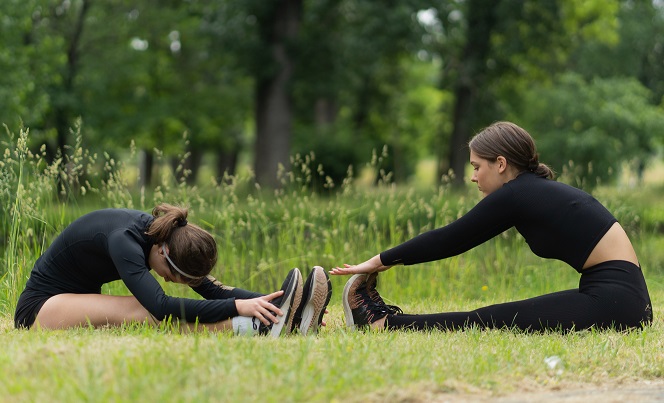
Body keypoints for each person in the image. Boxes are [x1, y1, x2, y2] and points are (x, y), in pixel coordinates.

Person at [331, 121, 652, 333]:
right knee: (499, 316)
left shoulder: (519, 192)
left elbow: (451, 238)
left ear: (500, 164)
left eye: (476, 167)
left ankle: (383, 324)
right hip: (619, 299)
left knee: (492, 319)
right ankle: (386, 322)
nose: (473, 177)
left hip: (616, 304)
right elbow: (457, 237)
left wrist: (380, 260)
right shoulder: (529, 191)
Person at [14, 203, 331, 337]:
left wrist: (271, 301)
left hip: (74, 299)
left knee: (147, 309)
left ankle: (285, 318)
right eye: (173, 276)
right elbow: (162, 307)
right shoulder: (123, 241)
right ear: (163, 255)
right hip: (40, 309)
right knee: (142, 309)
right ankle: (255, 328)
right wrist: (238, 308)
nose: (170, 280)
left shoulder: (166, 237)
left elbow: (211, 290)